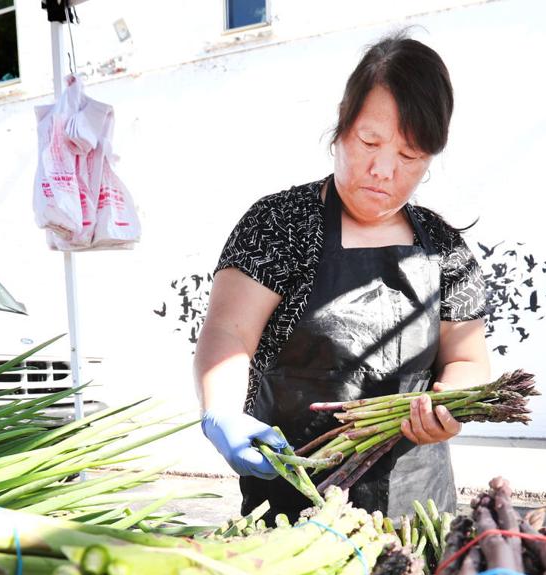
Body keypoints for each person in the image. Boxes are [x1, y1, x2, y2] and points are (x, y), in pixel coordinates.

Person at [193, 33, 492, 521]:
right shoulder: (279, 224)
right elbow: (229, 333)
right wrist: (222, 410)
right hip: (294, 502)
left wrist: (451, 404)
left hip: (416, 510)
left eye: (410, 156)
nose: (383, 169)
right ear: (342, 124)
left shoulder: (443, 245)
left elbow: (466, 356)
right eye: (370, 141)